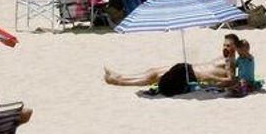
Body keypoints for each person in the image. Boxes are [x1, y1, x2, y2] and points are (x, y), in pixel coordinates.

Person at [104, 34, 257, 92]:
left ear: (235, 47)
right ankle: (122, 76)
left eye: (228, 45)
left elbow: (230, 80)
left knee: (156, 76)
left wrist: (210, 81)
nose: (225, 47)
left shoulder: (231, 62)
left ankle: (119, 81)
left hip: (192, 75)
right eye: (224, 45)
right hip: (189, 69)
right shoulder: (226, 58)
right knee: (154, 71)